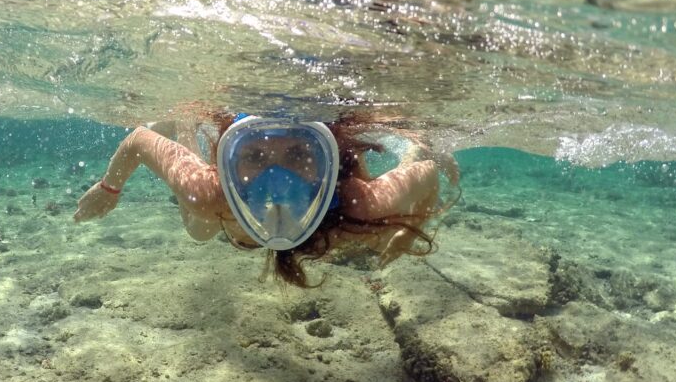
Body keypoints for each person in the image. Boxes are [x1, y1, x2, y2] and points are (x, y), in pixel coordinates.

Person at [73, 111, 459, 287]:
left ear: (327, 163)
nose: (277, 181)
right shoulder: (212, 192)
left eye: (297, 156)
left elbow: (426, 177)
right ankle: (186, 123)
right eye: (255, 157)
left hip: (336, 196)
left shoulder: (357, 202)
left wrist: (410, 232)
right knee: (198, 230)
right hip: (220, 202)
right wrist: (109, 190)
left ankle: (415, 145)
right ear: (229, 162)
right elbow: (140, 139)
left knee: (372, 229)